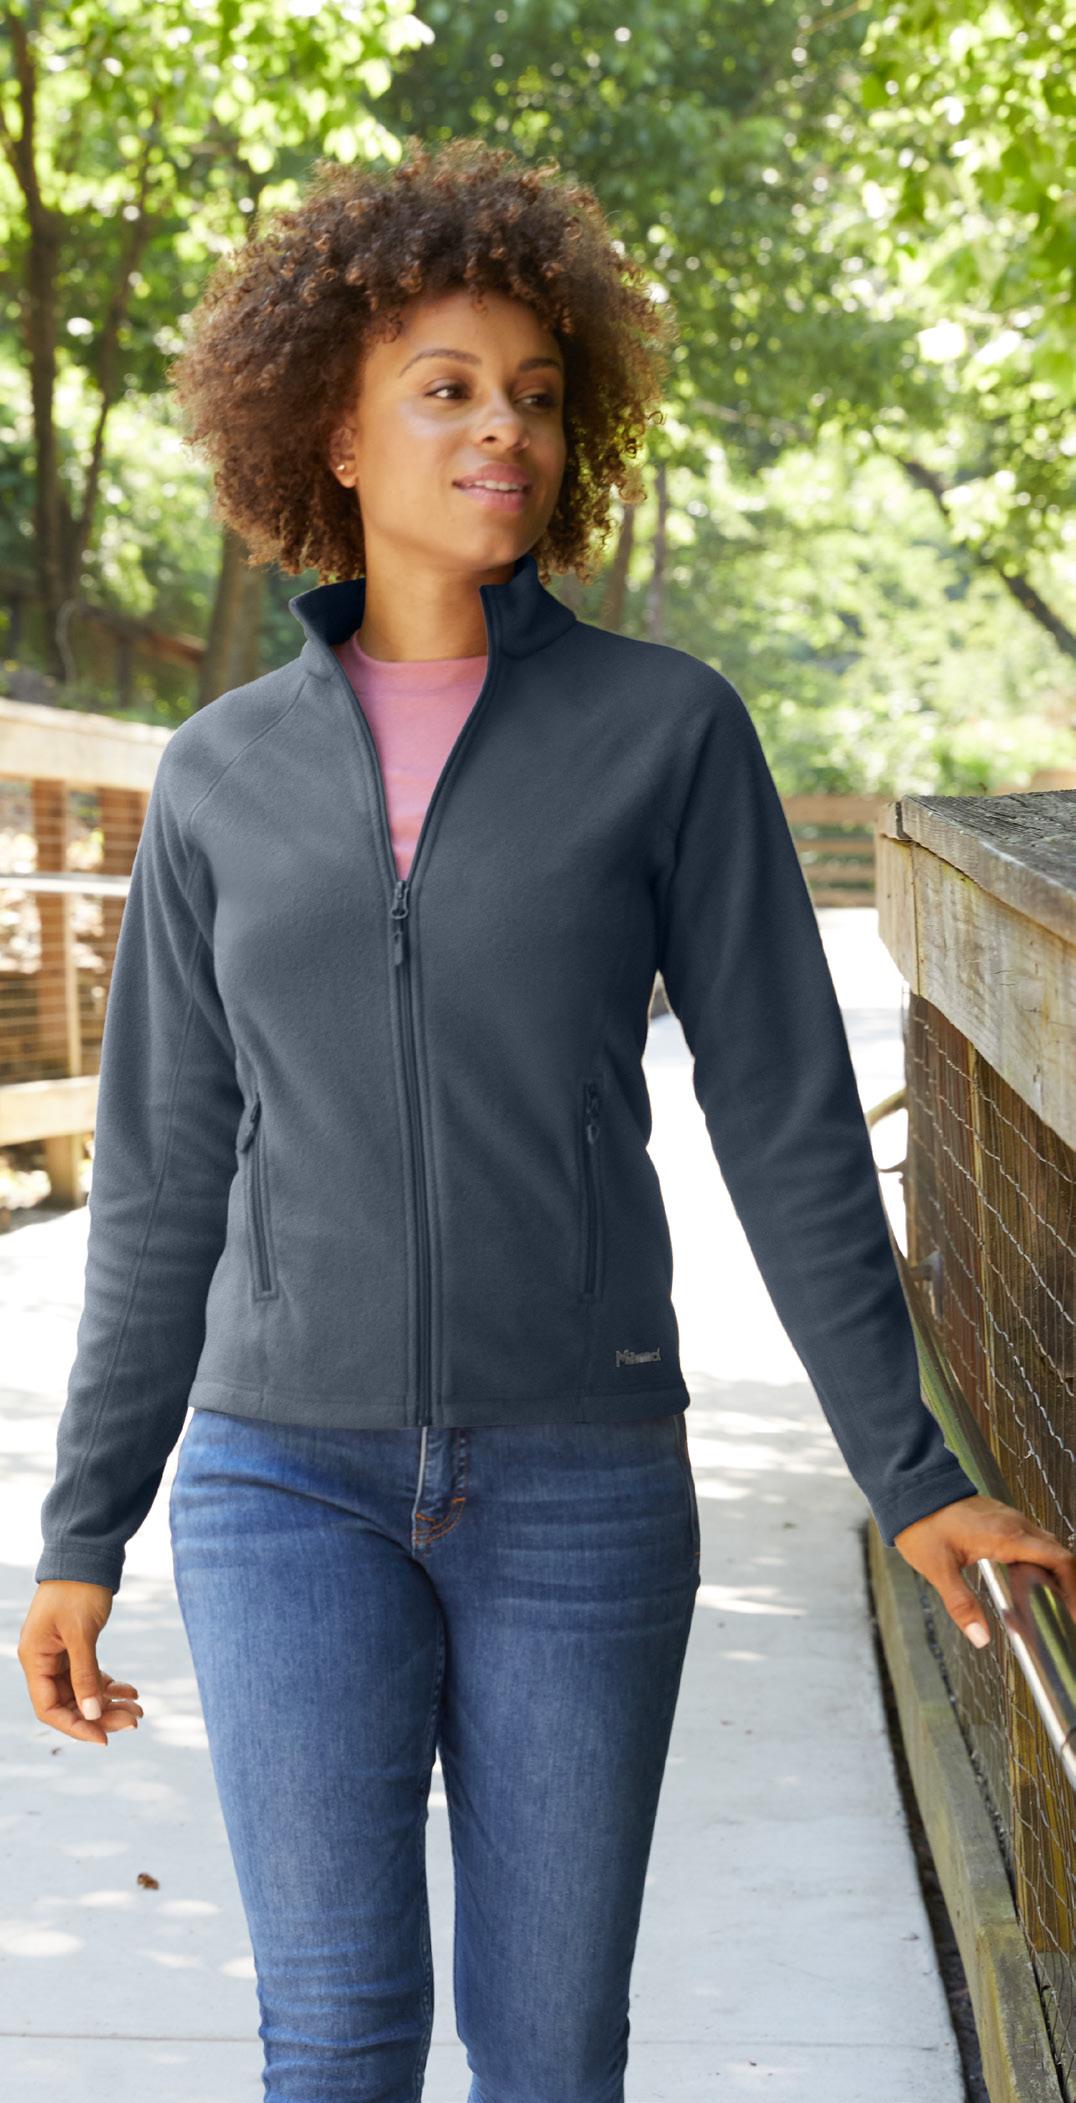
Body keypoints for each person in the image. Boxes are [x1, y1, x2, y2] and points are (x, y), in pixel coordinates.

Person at [19, 135, 1076, 2103]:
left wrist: (910, 1469)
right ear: (335, 432)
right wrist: (85, 1525)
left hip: (579, 1478)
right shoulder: (222, 772)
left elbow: (789, 1124)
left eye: (532, 391)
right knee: (333, 2036)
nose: (500, 426)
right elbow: (159, 1177)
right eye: (444, 387)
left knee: (549, 2051)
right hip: (280, 1480)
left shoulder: (667, 734)